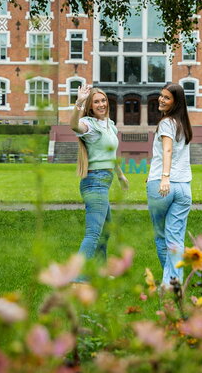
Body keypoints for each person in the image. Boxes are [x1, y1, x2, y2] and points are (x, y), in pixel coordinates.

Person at [70, 84, 129, 275]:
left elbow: (111, 153)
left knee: (105, 231)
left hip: (104, 179)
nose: (101, 104)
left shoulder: (109, 125)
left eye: (103, 100)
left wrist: (120, 176)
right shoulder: (89, 124)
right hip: (95, 181)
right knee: (93, 233)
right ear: (90, 106)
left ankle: (99, 273)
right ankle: (78, 277)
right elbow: (73, 125)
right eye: (96, 101)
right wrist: (78, 103)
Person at [146, 83, 194, 287]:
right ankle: (173, 284)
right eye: (161, 95)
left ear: (176, 102)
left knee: (161, 236)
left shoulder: (166, 123)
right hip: (184, 187)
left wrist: (164, 177)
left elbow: (167, 151)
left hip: (164, 186)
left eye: (166, 97)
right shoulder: (183, 124)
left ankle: (168, 284)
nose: (161, 99)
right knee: (176, 240)